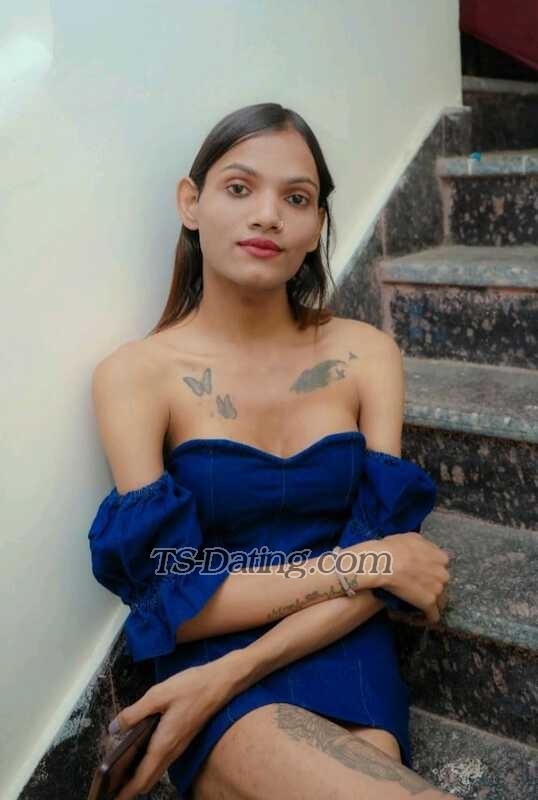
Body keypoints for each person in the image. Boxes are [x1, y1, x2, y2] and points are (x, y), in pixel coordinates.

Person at [87, 102, 452, 799]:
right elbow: (175, 596)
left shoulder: (367, 354)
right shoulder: (136, 375)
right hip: (210, 649)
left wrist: (230, 674)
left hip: (340, 645)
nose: (267, 216)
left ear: (316, 227)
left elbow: (392, 563)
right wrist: (365, 563)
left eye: (296, 198)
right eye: (239, 188)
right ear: (190, 203)